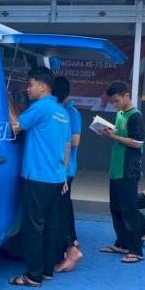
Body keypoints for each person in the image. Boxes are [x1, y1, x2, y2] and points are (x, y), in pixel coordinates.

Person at [6, 67, 70, 287]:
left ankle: (32, 276)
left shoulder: (40, 107)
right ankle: (47, 270)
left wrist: (5, 100)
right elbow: (65, 146)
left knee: (33, 227)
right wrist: (62, 175)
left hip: (38, 177)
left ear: (42, 86)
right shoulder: (62, 112)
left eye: (30, 84)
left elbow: (15, 126)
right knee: (51, 225)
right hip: (55, 176)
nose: (27, 88)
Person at [97, 80, 145, 264]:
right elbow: (120, 137)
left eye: (117, 100)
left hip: (128, 171)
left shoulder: (136, 116)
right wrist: (107, 134)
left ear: (127, 96)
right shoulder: (120, 114)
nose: (114, 104)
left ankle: (136, 250)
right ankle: (122, 244)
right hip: (116, 169)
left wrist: (114, 136)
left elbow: (137, 142)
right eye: (112, 102)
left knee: (129, 210)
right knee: (116, 208)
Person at [52, 76, 83, 273]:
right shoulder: (60, 111)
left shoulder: (70, 112)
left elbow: (74, 141)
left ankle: (70, 247)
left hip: (64, 169)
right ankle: (71, 242)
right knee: (64, 207)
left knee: (59, 209)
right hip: (59, 169)